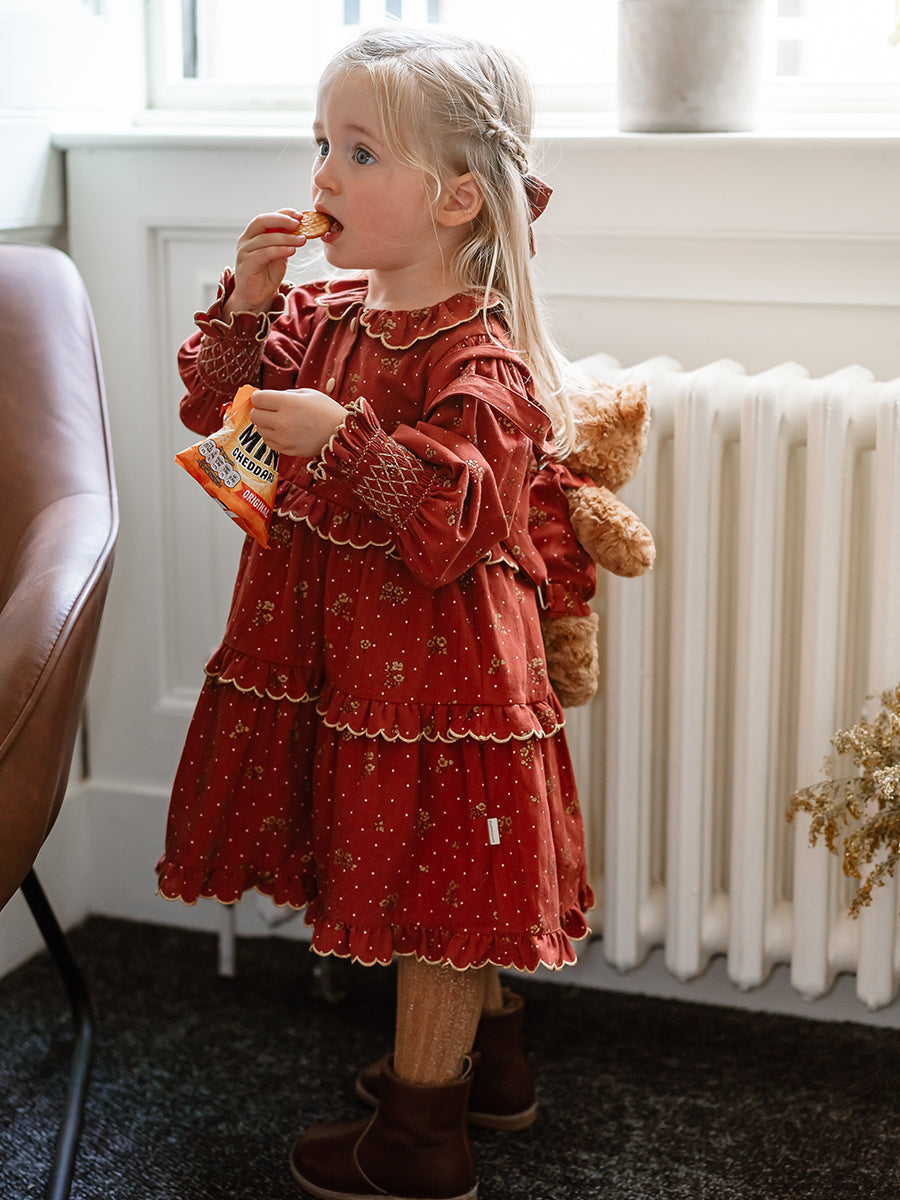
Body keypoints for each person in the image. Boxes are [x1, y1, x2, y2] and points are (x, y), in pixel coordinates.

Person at [156, 25, 595, 1200]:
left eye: (358, 153)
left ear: (457, 198)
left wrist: (343, 440)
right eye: (321, 146)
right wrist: (249, 306)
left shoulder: (485, 360)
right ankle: (487, 1065)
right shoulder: (329, 315)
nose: (323, 177)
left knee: (439, 884)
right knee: (425, 864)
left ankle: (419, 1137)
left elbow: (455, 521)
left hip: (439, 670)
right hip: (343, 653)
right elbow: (215, 413)